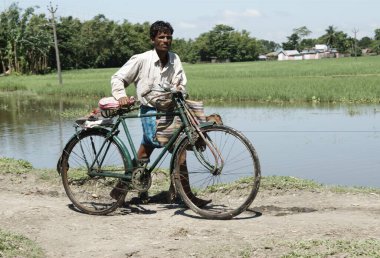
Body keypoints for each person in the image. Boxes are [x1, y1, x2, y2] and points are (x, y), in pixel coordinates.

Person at [109, 20, 210, 206]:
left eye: (168, 37)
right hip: (150, 111)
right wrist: (121, 96)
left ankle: (186, 196)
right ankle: (122, 189)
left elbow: (181, 82)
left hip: (171, 110)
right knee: (149, 145)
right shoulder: (141, 59)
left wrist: (179, 87)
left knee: (179, 151)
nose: (166, 40)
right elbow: (118, 78)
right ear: (153, 39)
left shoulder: (175, 59)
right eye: (161, 37)